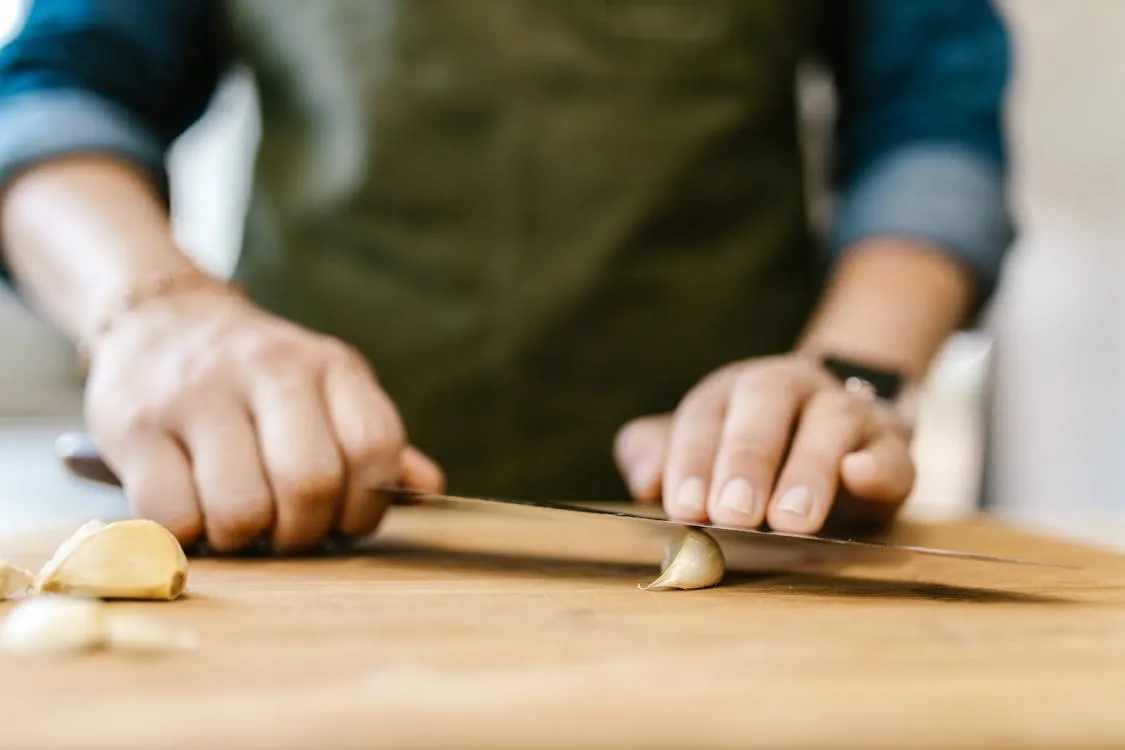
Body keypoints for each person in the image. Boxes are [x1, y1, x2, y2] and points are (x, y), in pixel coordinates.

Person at [0, 0, 1013, 553]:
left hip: (745, 539)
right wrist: (152, 310)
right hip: (289, 519)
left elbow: (931, 123)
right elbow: (57, 89)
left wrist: (852, 375)